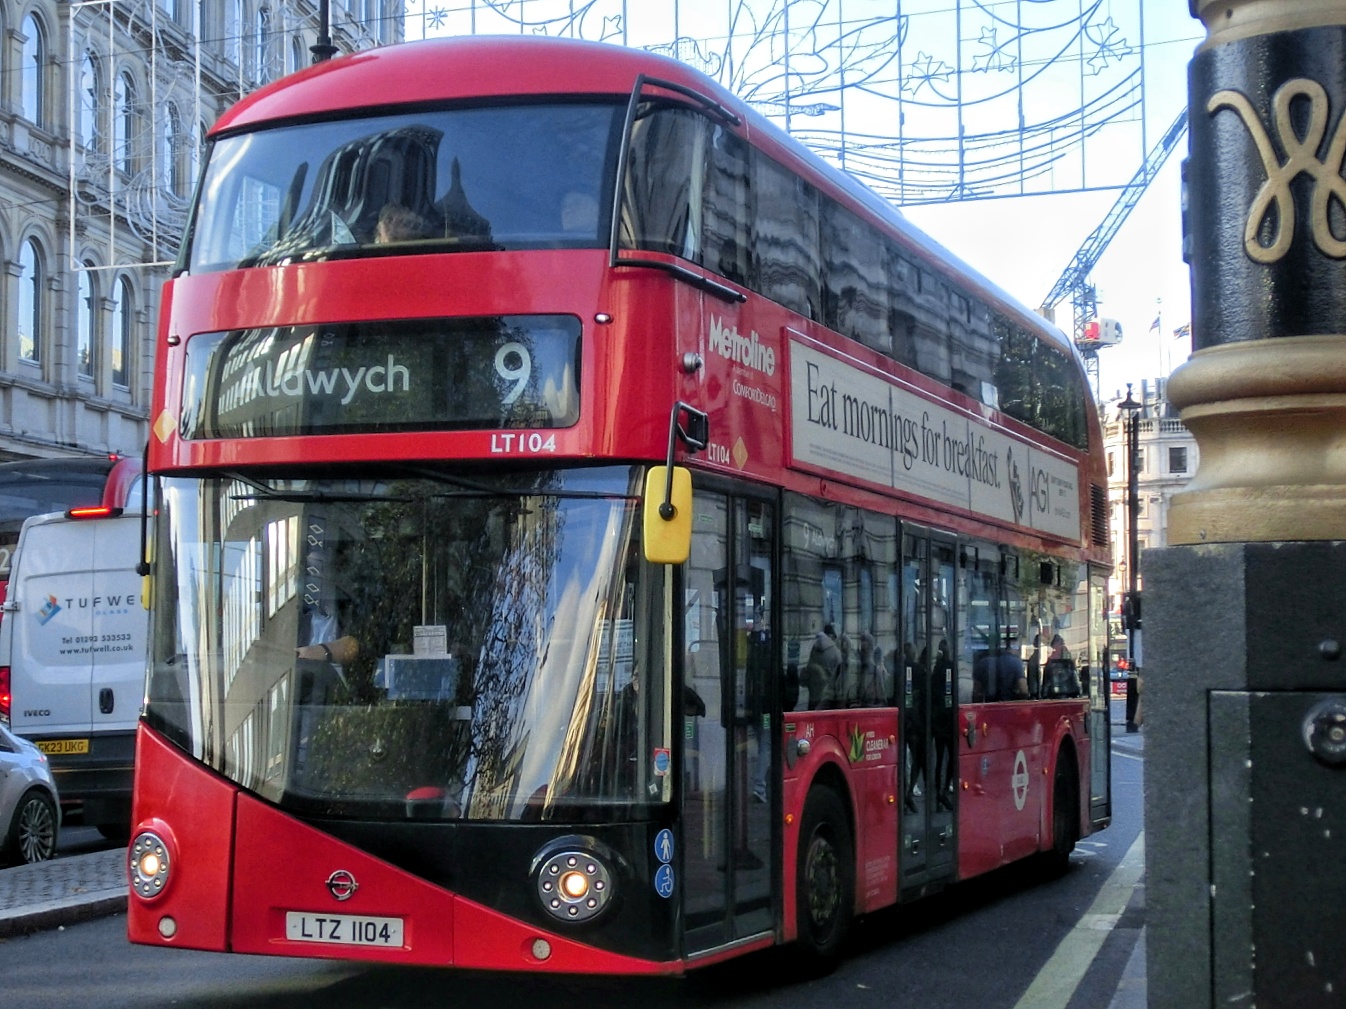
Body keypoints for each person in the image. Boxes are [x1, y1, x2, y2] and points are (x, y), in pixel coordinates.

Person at [805, 624, 843, 710]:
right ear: (831, 636)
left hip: (813, 694)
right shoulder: (835, 652)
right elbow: (840, 675)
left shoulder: (814, 648)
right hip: (827, 697)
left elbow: (809, 667)